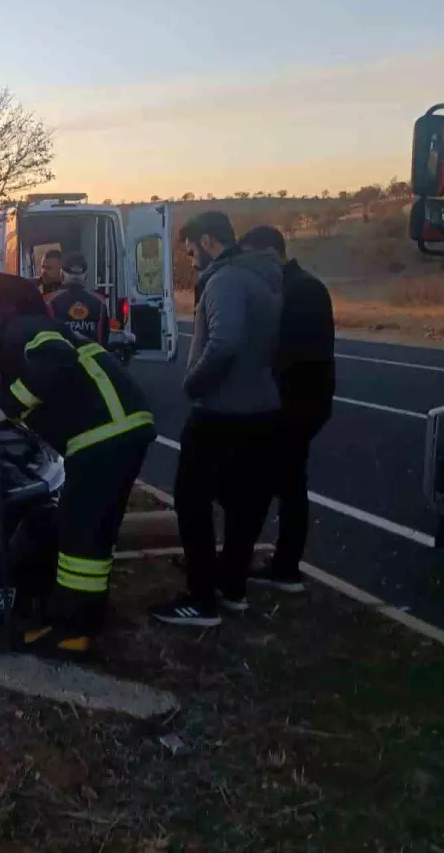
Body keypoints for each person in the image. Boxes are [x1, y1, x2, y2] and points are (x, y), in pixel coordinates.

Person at [0, 309, 156, 657]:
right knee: (92, 530)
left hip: (104, 433)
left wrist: (4, 404)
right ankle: (82, 619)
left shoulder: (21, 330)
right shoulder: (24, 336)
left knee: (81, 532)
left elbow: (57, 362)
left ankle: (72, 630)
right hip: (116, 430)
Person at [151, 212, 283, 627]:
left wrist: (194, 383)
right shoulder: (264, 279)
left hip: (221, 413)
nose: (191, 261)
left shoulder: (225, 281)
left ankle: (201, 600)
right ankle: (233, 588)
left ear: (207, 242)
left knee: (192, 501)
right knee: (243, 503)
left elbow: (224, 343)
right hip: (261, 409)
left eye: (192, 251)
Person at [240, 225, 334, 593]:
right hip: (295, 402)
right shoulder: (296, 286)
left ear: (269, 253)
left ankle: (280, 567)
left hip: (294, 404)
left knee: (278, 484)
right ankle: (278, 564)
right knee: (283, 483)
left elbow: (293, 355)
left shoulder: (301, 290)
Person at [45, 253, 110, 346]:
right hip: (93, 354)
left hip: (61, 353)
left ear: (61, 274)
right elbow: (105, 337)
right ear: (86, 276)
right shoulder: (100, 301)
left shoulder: (49, 300)